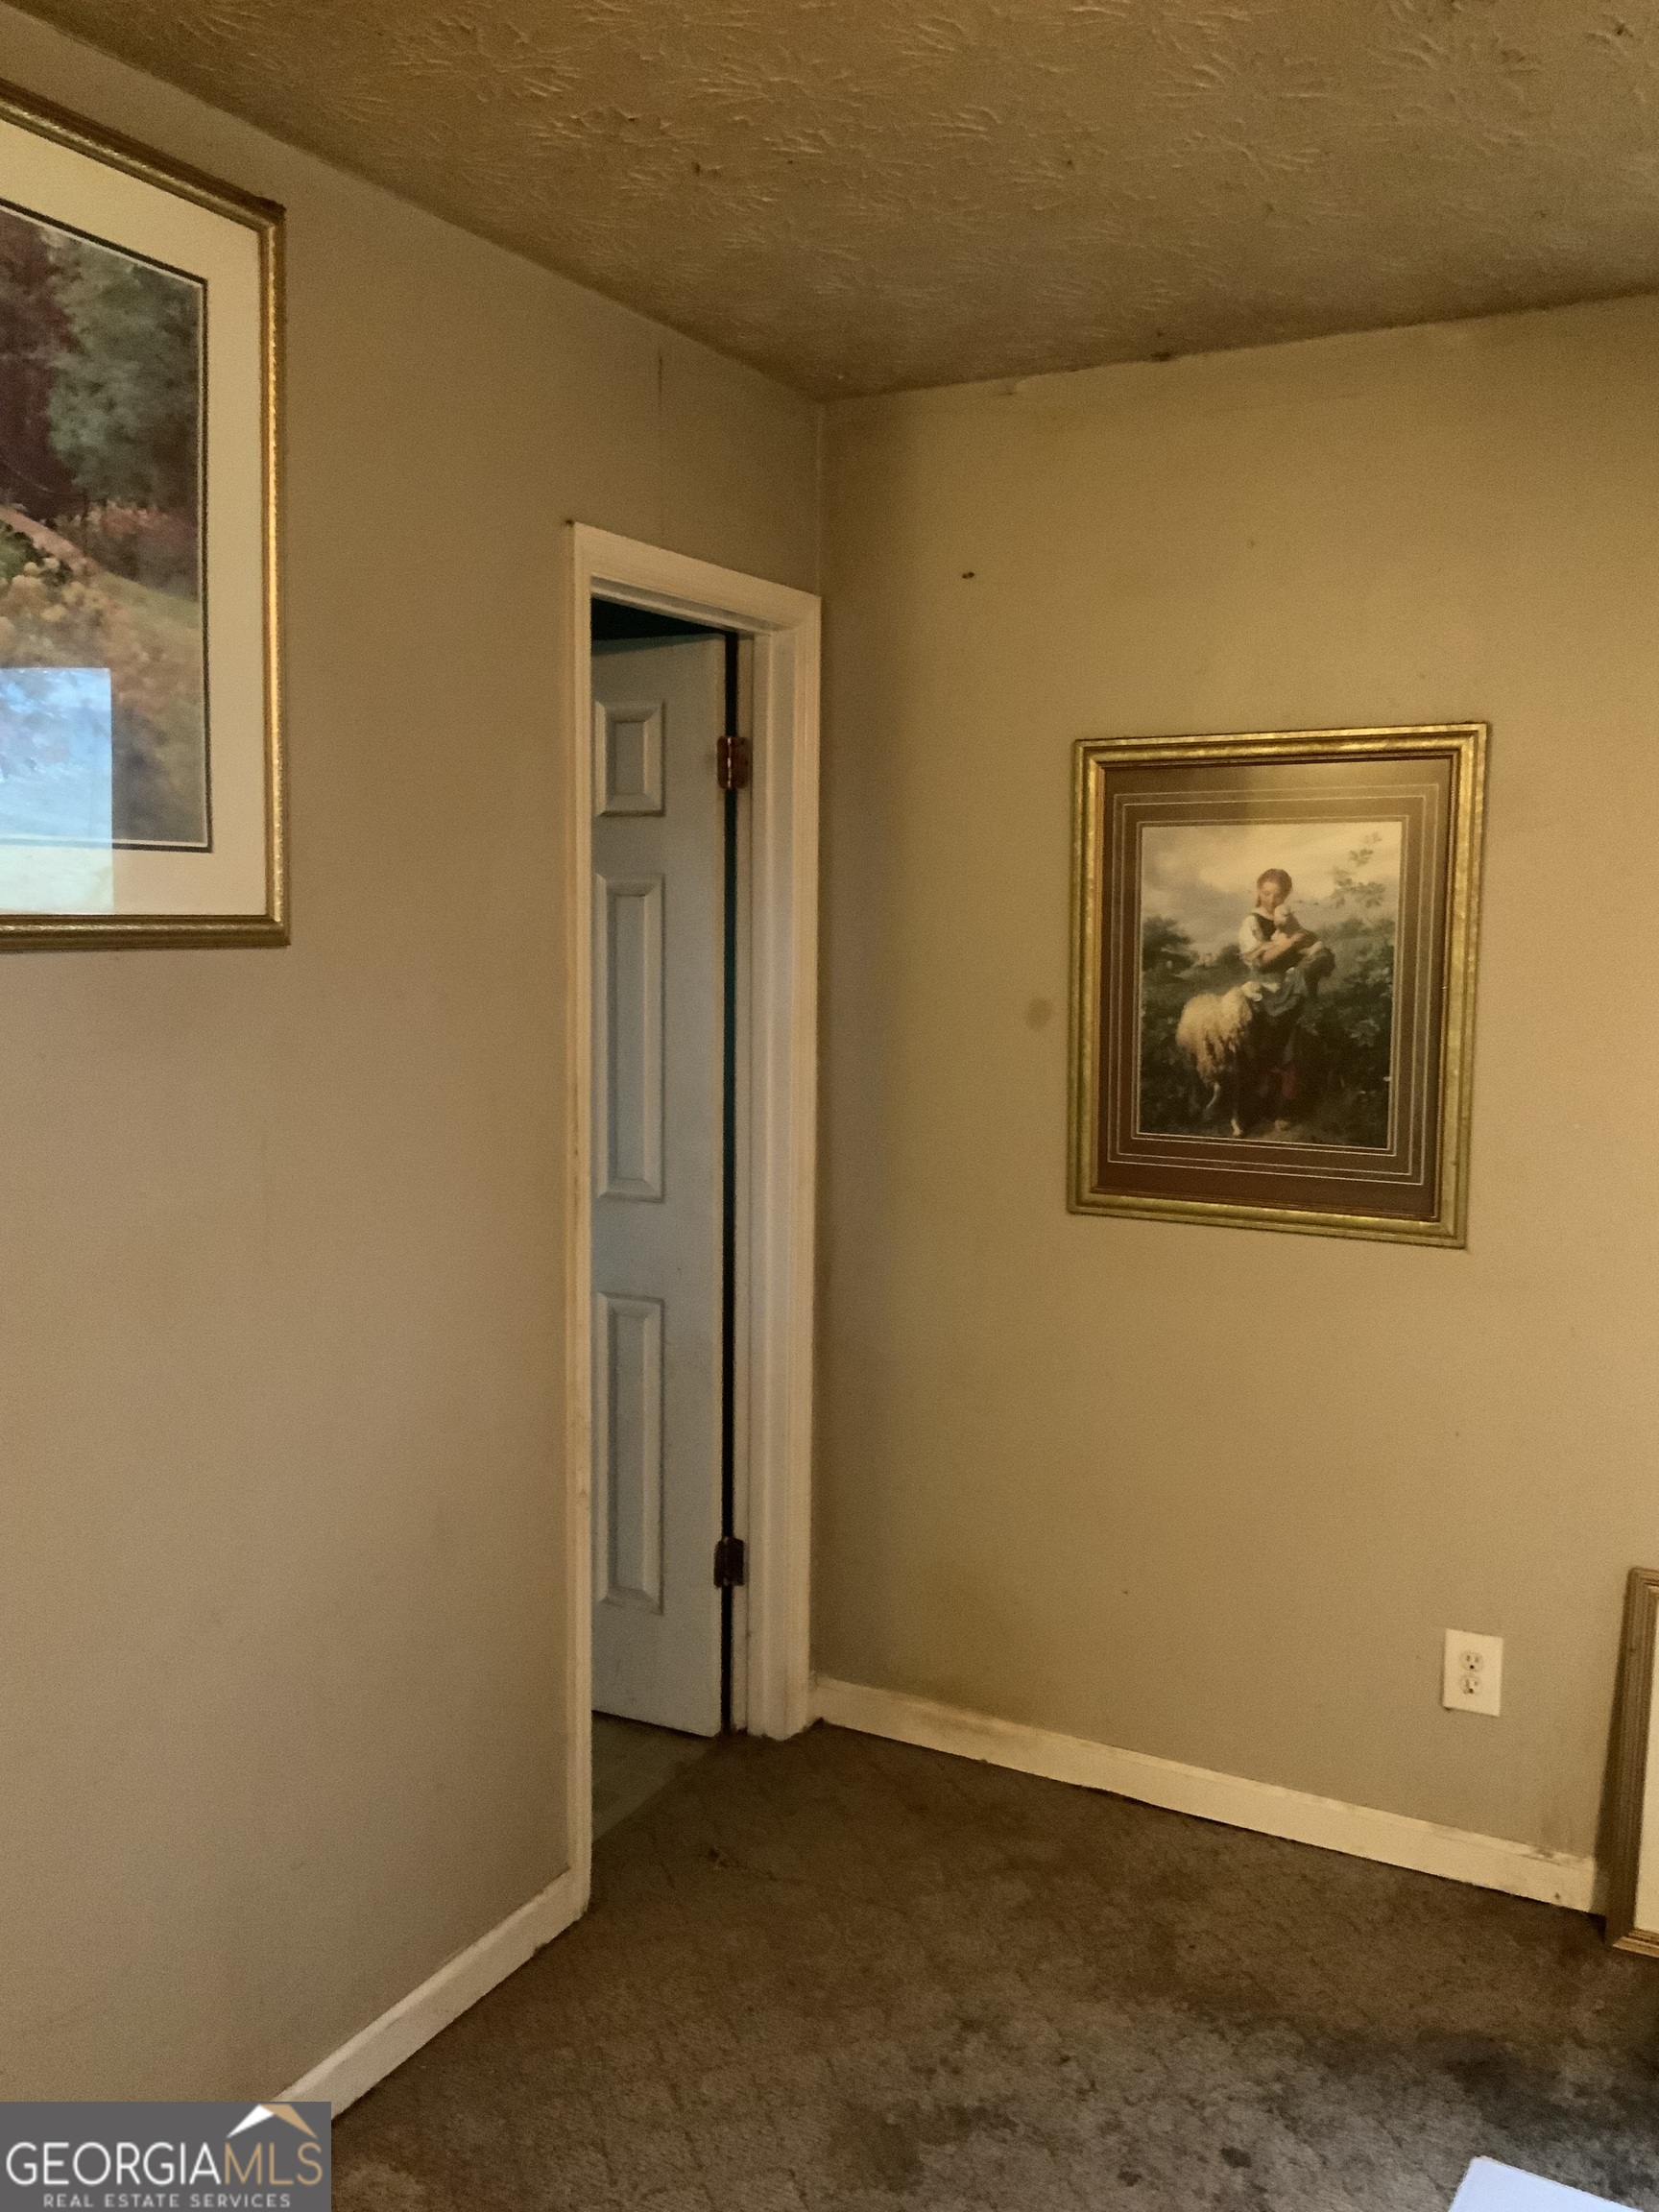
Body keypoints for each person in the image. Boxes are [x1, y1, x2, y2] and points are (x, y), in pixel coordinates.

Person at [1236, 868, 1334, 1119]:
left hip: (1291, 989)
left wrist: (1313, 949)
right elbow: (1262, 963)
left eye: (1278, 895)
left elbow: (1303, 946)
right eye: (1267, 893)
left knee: (1293, 1048)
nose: (1271, 900)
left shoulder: (1288, 920)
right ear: (1259, 891)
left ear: (1286, 895)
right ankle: (1260, 1108)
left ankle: (1288, 1110)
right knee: (1266, 1048)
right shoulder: (1251, 922)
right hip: (1265, 993)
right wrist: (1291, 943)